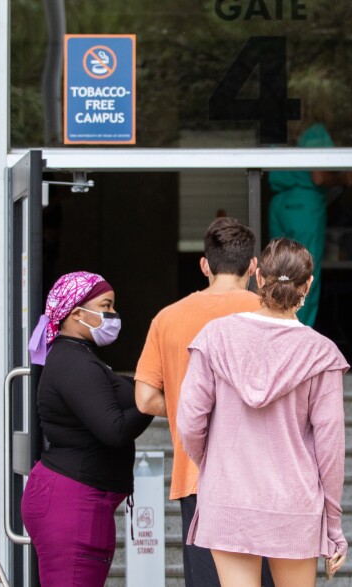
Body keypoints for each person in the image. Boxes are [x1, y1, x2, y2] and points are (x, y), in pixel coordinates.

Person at [177, 237, 349, 587]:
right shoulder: (321, 353)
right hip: (294, 504)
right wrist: (333, 526)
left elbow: (190, 422)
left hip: (229, 498)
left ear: (258, 276)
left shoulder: (215, 337)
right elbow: (330, 449)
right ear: (309, 284)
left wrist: (213, 464)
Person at [134, 217, 271, 587]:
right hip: (266, 477)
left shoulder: (167, 318)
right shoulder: (273, 314)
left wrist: (186, 404)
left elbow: (145, 399)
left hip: (198, 476)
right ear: (253, 267)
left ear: (205, 265)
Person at [22, 271, 153, 587]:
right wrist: (152, 402)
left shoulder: (82, 357)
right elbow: (115, 429)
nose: (113, 316)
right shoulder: (72, 363)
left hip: (82, 500)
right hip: (72, 502)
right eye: (106, 307)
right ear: (77, 314)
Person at [268, 76, 352, 327]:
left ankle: (277, 329)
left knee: (279, 273)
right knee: (304, 274)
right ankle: (300, 333)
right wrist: (344, 178)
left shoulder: (283, 132)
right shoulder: (315, 132)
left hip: (279, 203)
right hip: (304, 205)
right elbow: (318, 176)